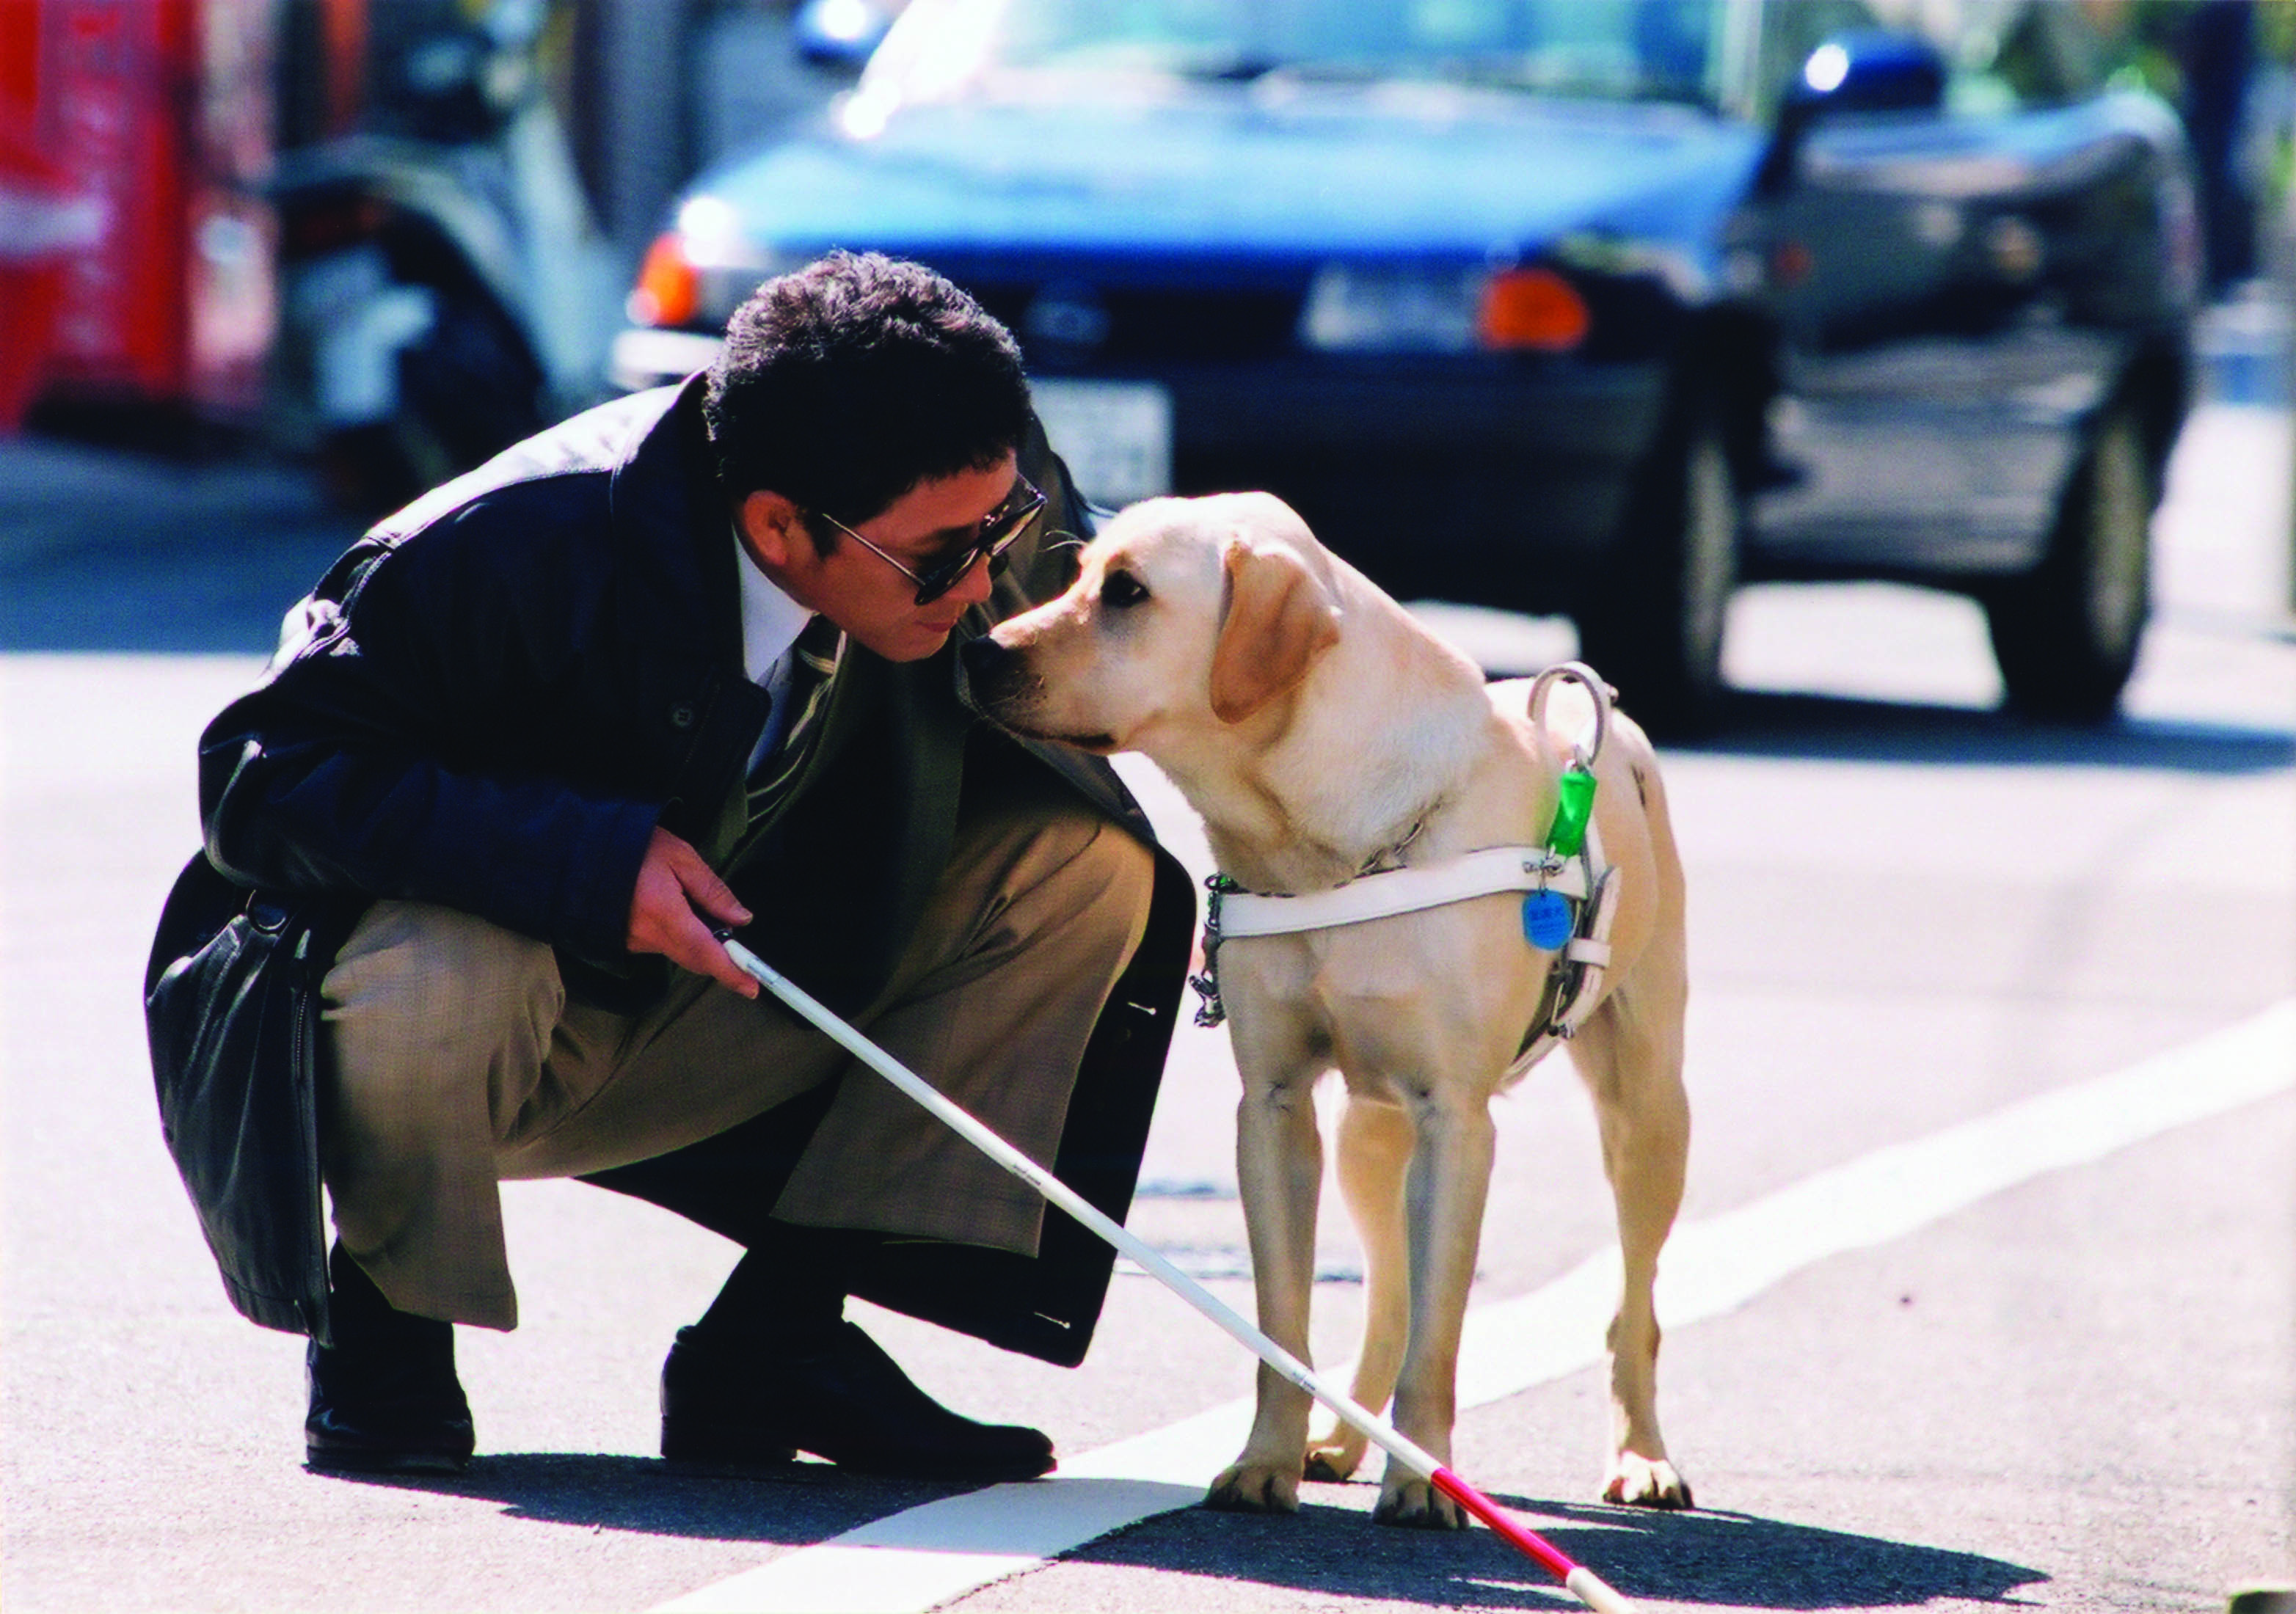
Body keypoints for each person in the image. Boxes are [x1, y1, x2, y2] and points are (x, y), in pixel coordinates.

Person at [143, 251, 1192, 1481]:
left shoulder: (959, 481)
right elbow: (259, 778)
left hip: (753, 994)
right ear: (778, 526)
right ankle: (387, 1326)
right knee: (446, 959)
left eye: (1001, 527)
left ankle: (777, 1344)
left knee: (1085, 868)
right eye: (941, 557)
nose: (981, 588)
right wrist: (587, 860)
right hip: (490, 1037)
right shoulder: (507, 544)